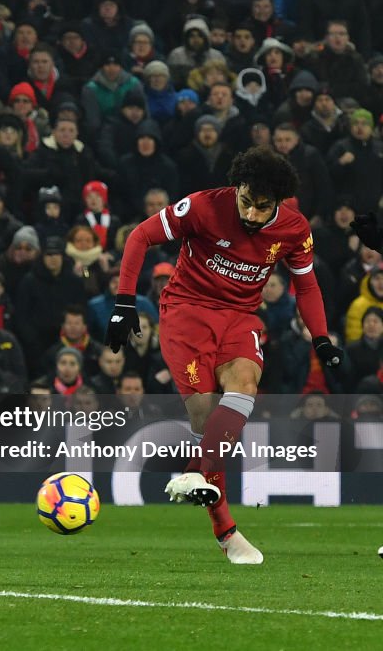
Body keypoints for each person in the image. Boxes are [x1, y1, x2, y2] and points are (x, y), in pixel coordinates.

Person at [106, 147, 342, 565]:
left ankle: (197, 473)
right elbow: (140, 235)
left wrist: (320, 339)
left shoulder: (294, 229)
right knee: (204, 411)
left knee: (245, 384)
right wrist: (125, 301)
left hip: (240, 317)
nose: (250, 213)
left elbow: (306, 286)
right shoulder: (201, 207)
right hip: (186, 311)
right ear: (238, 189)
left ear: (279, 204)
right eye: (245, 201)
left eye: (261, 207)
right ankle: (225, 531)